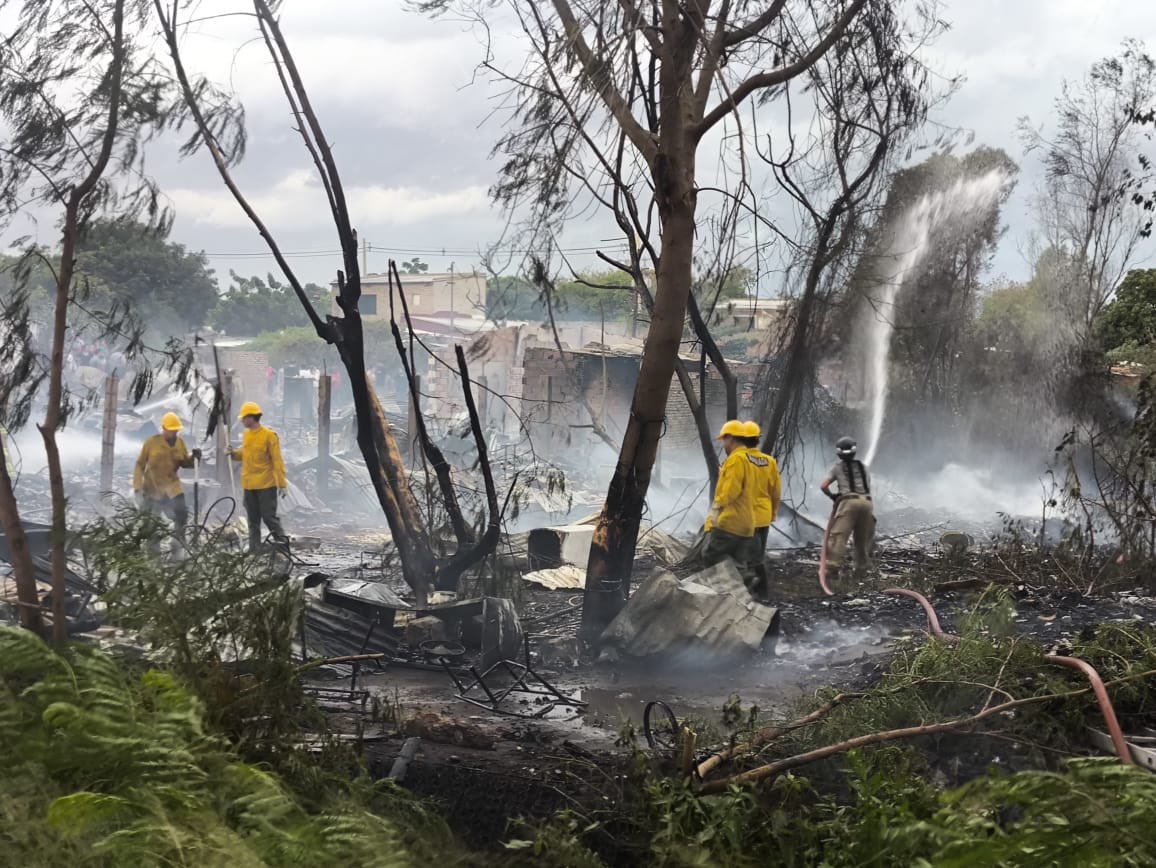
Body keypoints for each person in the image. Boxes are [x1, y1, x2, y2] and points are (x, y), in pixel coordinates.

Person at [133, 412, 201, 547]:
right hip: (152, 487)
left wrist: (195, 458)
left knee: (181, 514)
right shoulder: (151, 443)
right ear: (163, 428)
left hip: (172, 487)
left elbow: (185, 463)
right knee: (151, 522)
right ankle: (153, 551)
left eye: (176, 430)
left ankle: (179, 545)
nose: (174, 433)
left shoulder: (180, 443)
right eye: (171, 430)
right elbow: (140, 464)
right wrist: (137, 486)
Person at [230, 401, 289, 552]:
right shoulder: (247, 435)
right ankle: (254, 549)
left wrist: (282, 484)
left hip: (265, 485)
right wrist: (233, 453)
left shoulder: (269, 435)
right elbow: (246, 454)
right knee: (253, 520)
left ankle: (283, 544)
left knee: (269, 517)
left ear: (252, 418)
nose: (242, 421)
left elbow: (277, 461)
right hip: (249, 485)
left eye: (244, 418)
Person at [702, 420, 759, 572]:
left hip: (730, 521)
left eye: (724, 440)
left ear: (731, 438)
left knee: (710, 555)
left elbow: (729, 491)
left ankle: (741, 575)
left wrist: (715, 510)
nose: (724, 444)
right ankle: (741, 581)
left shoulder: (736, 459)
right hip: (747, 523)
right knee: (738, 561)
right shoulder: (749, 459)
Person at [819, 436, 875, 579]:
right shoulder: (864, 467)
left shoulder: (837, 468)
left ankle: (832, 568)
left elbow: (824, 486)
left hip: (849, 502)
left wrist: (833, 496)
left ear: (839, 453)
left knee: (838, 536)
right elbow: (867, 486)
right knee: (861, 540)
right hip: (867, 503)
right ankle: (862, 570)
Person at [740, 421, 782, 591]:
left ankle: (758, 588)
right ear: (758, 440)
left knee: (747, 554)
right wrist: (773, 513)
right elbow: (776, 491)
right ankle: (760, 589)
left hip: (745, 515)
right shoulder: (769, 461)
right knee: (758, 552)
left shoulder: (739, 460)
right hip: (764, 515)